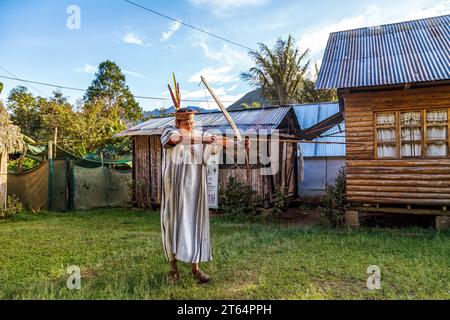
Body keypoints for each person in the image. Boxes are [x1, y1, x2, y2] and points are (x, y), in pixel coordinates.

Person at [160, 108, 232, 284]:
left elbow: (221, 142)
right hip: (175, 191)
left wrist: (239, 143)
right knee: (172, 226)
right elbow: (174, 140)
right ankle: (173, 270)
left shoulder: (200, 134)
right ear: (177, 123)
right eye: (186, 123)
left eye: (192, 123)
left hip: (195, 191)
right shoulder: (169, 132)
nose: (190, 126)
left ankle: (196, 269)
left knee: (195, 225)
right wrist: (205, 139)